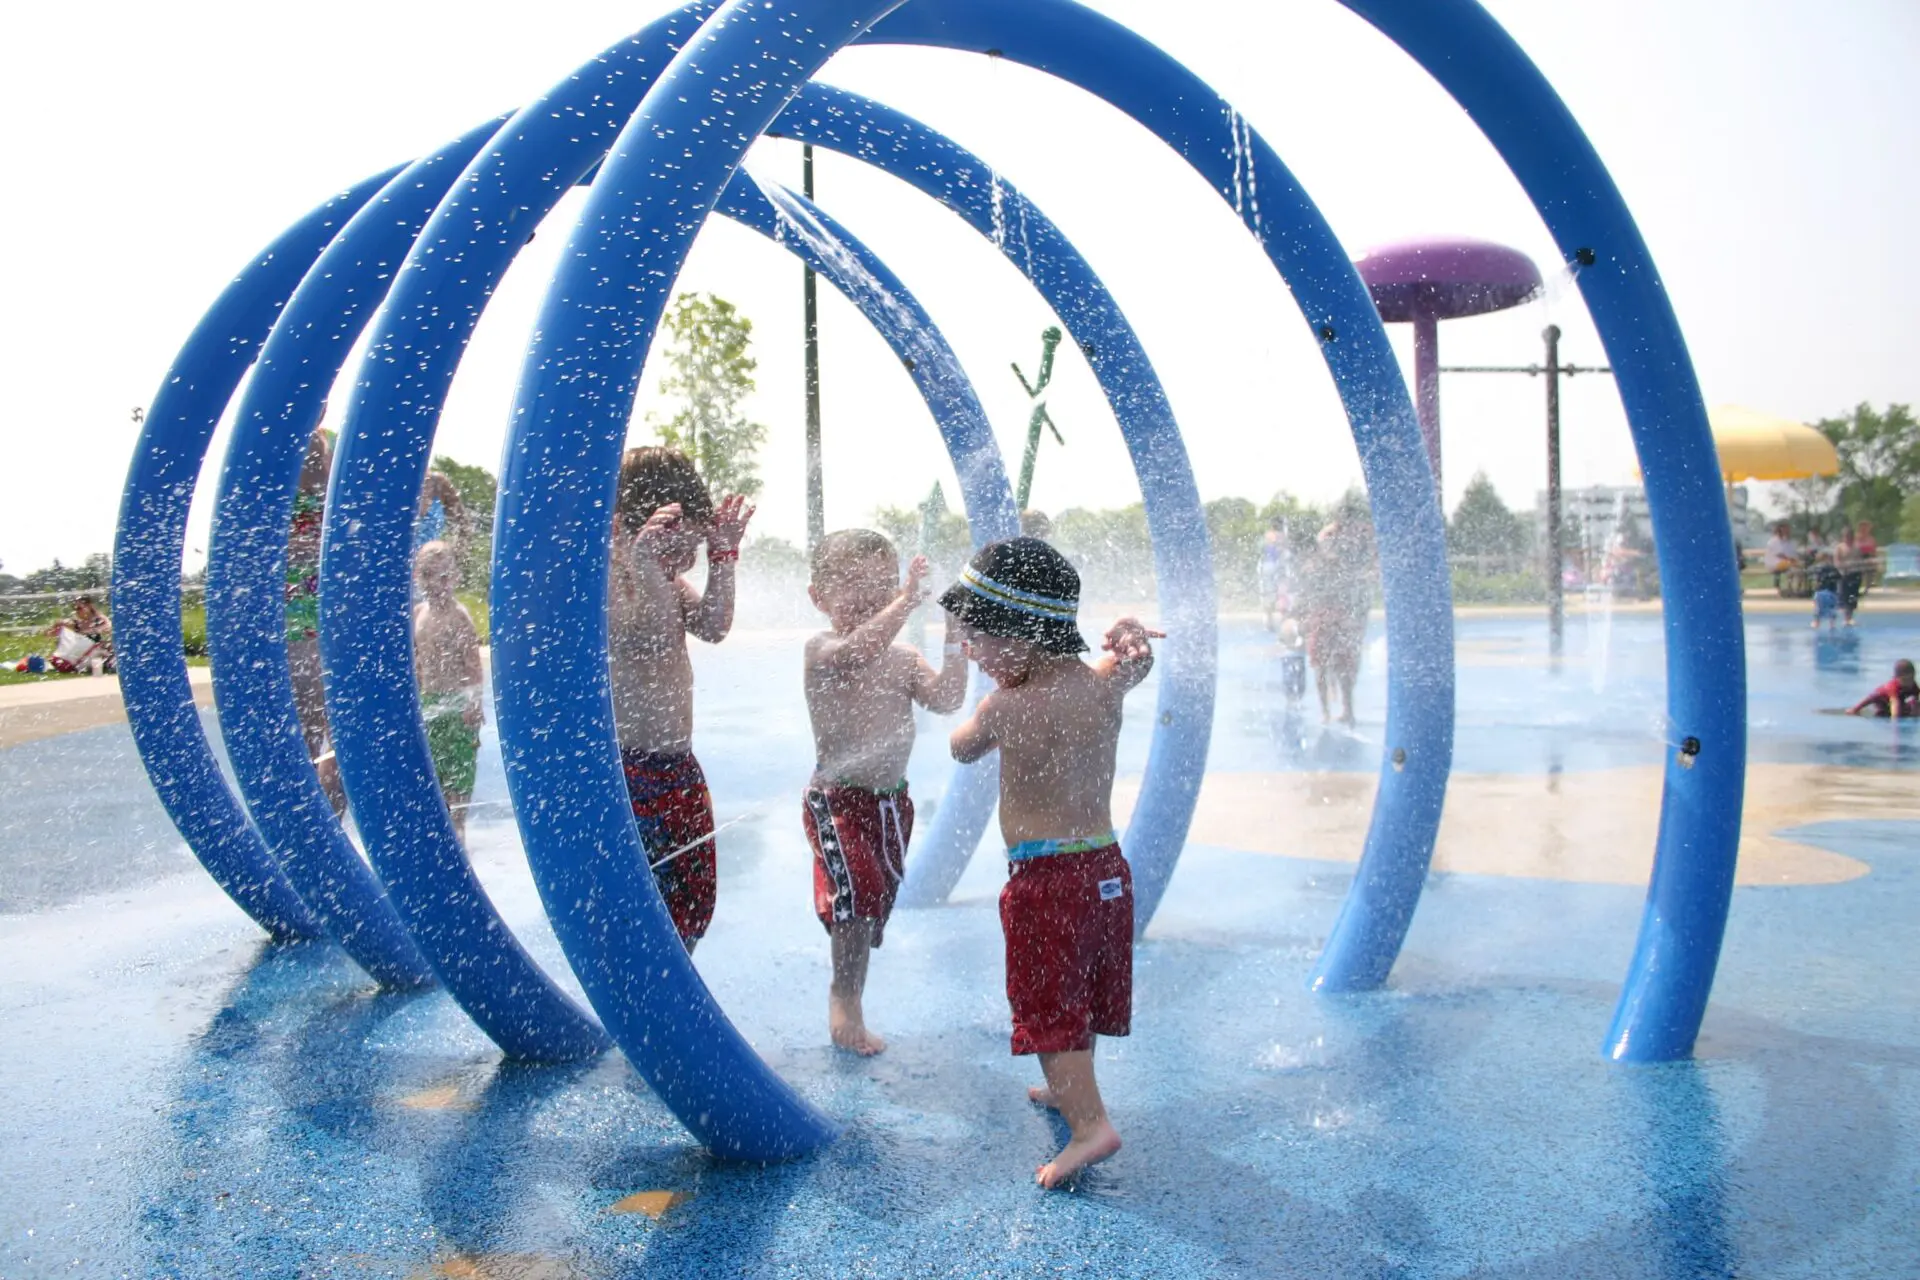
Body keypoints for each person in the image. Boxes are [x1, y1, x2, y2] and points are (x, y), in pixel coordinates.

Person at [940, 537, 1158, 1189]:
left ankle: (1090, 1126)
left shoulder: (1003, 707)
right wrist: (1129, 636)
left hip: (1047, 879)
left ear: (1023, 636)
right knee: (1081, 991)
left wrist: (969, 716)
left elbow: (959, 750)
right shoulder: (1103, 684)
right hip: (1107, 872)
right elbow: (1134, 659)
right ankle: (1071, 1091)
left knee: (1047, 1004)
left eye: (978, 638)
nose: (971, 651)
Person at [802, 530, 968, 1054]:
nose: (871, 596)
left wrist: (955, 640)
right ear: (819, 597)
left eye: (881, 585)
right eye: (853, 585)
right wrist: (904, 600)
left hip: (892, 805)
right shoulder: (823, 648)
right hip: (837, 798)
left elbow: (946, 699)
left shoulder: (902, 657)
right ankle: (844, 998)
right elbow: (855, 653)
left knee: (872, 905)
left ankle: (851, 969)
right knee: (858, 895)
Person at [608, 446, 753, 952]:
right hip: (630, 774)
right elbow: (641, 635)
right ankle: (641, 1002)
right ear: (628, 528)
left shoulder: (666, 581)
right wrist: (646, 570)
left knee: (690, 904)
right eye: (675, 551)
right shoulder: (610, 587)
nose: (681, 564)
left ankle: (674, 988)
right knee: (641, 909)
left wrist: (724, 559)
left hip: (678, 767)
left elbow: (714, 626)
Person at [287, 428, 347, 815]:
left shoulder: (328, 498)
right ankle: (313, 838)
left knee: (332, 748)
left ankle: (318, 838)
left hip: (320, 635)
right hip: (301, 637)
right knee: (318, 747)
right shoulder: (290, 496)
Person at [413, 540, 483, 842]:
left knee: (457, 794)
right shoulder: (418, 613)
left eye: (442, 577)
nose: (435, 584)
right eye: (428, 575)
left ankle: (459, 840)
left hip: (457, 711)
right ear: (418, 577)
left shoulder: (459, 617)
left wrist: (474, 703)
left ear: (454, 577)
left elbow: (474, 669)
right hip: (430, 707)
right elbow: (418, 662)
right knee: (434, 789)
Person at [1849, 659, 1919, 718]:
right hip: (1882, 701)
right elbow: (1894, 703)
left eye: (1911, 678)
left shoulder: (1913, 684)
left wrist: (1915, 714)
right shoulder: (1892, 686)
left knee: (1913, 702)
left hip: (1898, 700)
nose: (1909, 682)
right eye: (1906, 680)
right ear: (1897, 678)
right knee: (1875, 696)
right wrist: (1855, 709)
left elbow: (1916, 700)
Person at [1834, 528, 1866, 627]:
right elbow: (1837, 561)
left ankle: (1850, 618)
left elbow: (1860, 560)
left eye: (1850, 536)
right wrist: (1841, 568)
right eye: (1846, 536)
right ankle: (1846, 618)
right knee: (1845, 596)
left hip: (1855, 573)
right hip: (1844, 574)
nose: (1848, 538)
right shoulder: (1840, 547)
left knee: (1853, 597)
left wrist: (1860, 569)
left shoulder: (1857, 548)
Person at [1810, 551, 1841, 631]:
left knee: (1818, 608)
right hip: (1831, 591)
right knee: (1832, 608)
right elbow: (1839, 578)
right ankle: (1832, 624)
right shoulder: (1833, 568)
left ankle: (1816, 623)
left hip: (1820, 591)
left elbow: (1815, 579)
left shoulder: (1817, 568)